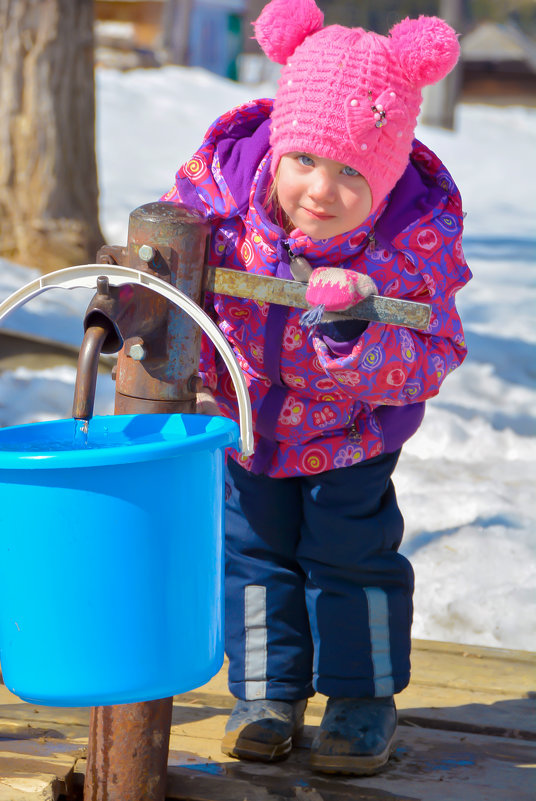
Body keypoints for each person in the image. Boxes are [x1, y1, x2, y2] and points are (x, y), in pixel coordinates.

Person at [161, 0, 471, 776]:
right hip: (251, 426)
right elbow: (176, 283)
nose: (321, 192)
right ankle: (266, 695)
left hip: (350, 437)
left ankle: (361, 698)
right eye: (304, 161)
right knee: (255, 560)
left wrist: (352, 333)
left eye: (351, 174)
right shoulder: (223, 199)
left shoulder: (412, 237)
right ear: (276, 145)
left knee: (350, 561)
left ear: (389, 170)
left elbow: (433, 352)